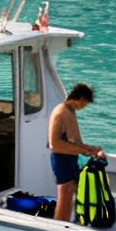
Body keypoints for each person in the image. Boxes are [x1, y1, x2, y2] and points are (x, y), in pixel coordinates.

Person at [48, 82, 105, 221]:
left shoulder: (70, 111)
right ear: (80, 98)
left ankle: (65, 224)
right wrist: (84, 151)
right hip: (61, 160)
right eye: (84, 104)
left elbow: (75, 141)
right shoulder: (61, 112)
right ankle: (58, 227)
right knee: (64, 199)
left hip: (70, 159)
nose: (83, 107)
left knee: (69, 196)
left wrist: (91, 149)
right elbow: (54, 144)